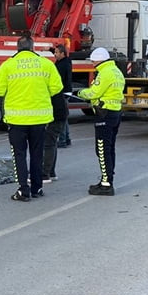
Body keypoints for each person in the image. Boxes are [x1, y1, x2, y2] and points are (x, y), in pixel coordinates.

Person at [0, 35, 62, 202]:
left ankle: (23, 190)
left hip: (17, 120)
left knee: (19, 155)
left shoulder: (8, 65)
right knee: (37, 154)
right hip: (40, 119)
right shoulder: (46, 64)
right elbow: (57, 87)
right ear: (32, 47)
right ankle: (37, 188)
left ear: (17, 48)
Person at [76, 47, 125, 196]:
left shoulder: (105, 73)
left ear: (99, 59)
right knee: (109, 148)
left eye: (93, 59)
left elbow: (94, 92)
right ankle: (107, 180)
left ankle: (106, 184)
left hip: (104, 114)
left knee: (102, 150)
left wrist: (79, 92)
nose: (91, 62)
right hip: (115, 112)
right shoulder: (117, 72)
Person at [43, 43, 73, 181]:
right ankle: (64, 138)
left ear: (62, 54)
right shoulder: (64, 61)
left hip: (62, 93)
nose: (54, 54)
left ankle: (64, 138)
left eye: (56, 53)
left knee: (60, 122)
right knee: (63, 118)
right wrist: (49, 49)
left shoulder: (62, 65)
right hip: (63, 95)